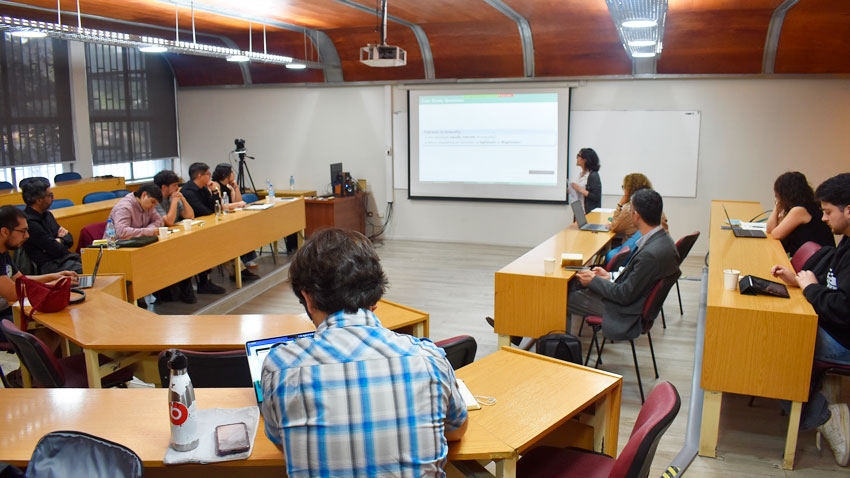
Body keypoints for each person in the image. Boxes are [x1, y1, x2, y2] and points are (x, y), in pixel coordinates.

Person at [261, 228, 468, 477]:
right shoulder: (429, 360)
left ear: (307, 298)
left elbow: (280, 440)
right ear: (375, 296)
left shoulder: (280, 368)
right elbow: (456, 429)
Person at [771, 173, 850, 466]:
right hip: (832, 327)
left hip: (842, 340)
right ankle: (816, 401)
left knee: (773, 352)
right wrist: (797, 280)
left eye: (828, 212)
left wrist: (811, 288)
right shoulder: (846, 241)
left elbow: (843, 307)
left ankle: (826, 415)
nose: (825, 219)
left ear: (849, 210)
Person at [567, 189, 679, 340]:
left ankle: (560, 350)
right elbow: (635, 279)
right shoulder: (664, 241)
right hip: (633, 300)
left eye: (630, 210)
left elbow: (623, 294)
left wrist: (594, 281)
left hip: (624, 309)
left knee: (562, 298)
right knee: (574, 284)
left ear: (636, 215)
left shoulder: (650, 255)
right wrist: (609, 276)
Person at [0, 206, 78, 322]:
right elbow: (13, 293)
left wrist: (54, 276)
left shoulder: (3, 252)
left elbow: (21, 279)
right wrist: (54, 285)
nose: (27, 236)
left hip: (7, 310)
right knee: (50, 323)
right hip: (3, 316)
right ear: (5, 231)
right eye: (23, 231)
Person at [180, 162, 245, 289]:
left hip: (206, 226)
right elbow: (205, 211)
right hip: (193, 230)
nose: (210, 177)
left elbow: (215, 207)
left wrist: (214, 191)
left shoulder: (204, 188)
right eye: (208, 174)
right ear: (199, 176)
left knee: (227, 238)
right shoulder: (188, 191)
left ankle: (239, 270)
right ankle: (205, 281)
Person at [152, 170, 197, 304]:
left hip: (175, 237)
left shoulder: (175, 197)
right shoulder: (156, 200)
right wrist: (174, 202)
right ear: (164, 187)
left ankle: (187, 290)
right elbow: (169, 221)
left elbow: (190, 215)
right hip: (161, 240)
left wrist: (182, 199)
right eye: (174, 185)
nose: (177, 188)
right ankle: (182, 291)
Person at [21, 178, 82, 274]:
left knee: (96, 263)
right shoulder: (29, 223)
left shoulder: (47, 215)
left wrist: (60, 240)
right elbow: (56, 249)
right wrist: (61, 240)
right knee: (89, 269)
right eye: (50, 195)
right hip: (49, 266)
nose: (53, 198)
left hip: (64, 260)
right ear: (39, 200)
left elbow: (69, 238)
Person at [767, 171, 835, 255]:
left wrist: (777, 207)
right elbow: (769, 230)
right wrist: (777, 207)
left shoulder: (800, 210)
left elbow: (776, 234)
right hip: (814, 254)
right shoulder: (806, 205)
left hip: (816, 259)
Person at [570, 147, 602, 213]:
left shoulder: (593, 175)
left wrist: (580, 189)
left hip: (588, 212)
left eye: (578, 156)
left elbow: (596, 197)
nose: (577, 158)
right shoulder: (581, 174)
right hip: (578, 210)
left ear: (585, 160)